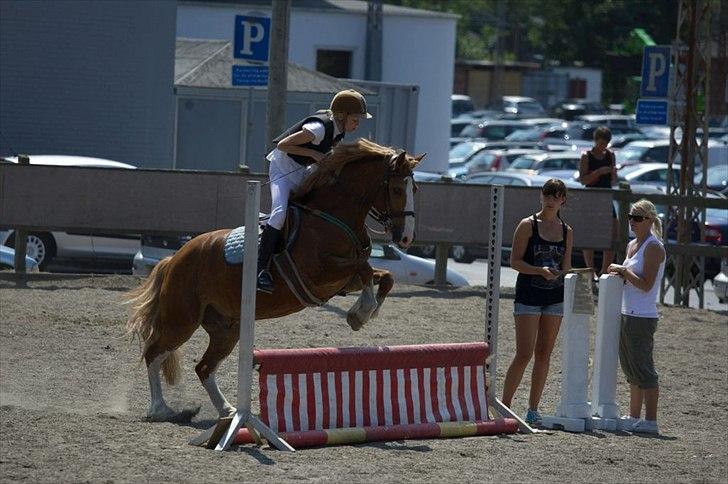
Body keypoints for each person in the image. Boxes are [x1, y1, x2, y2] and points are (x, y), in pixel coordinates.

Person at [256, 89, 372, 293]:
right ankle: (260, 270)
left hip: (303, 171)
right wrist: (313, 154)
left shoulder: (339, 130)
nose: (357, 124)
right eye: (355, 119)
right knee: (279, 214)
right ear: (343, 116)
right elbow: (283, 145)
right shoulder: (318, 128)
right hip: (282, 171)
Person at [502, 179, 573, 425]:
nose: (551, 199)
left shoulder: (566, 230)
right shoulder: (527, 225)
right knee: (524, 353)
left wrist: (560, 274)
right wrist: (538, 270)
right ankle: (504, 406)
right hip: (529, 294)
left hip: (554, 297)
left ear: (563, 199)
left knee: (544, 353)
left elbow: (565, 268)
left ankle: (533, 409)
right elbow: (514, 262)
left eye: (556, 195)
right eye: (547, 194)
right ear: (540, 196)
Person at [608, 199, 665, 434]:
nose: (633, 221)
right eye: (631, 216)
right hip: (626, 311)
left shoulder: (653, 247)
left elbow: (646, 284)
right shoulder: (633, 244)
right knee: (631, 368)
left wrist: (623, 271)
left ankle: (650, 420)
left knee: (644, 369)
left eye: (638, 218)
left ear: (650, 221)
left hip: (642, 314)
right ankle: (634, 416)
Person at [579, 126, 617, 279]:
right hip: (591, 197)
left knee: (613, 232)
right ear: (595, 141)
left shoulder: (610, 155)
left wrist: (613, 173)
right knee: (590, 233)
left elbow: (614, 181)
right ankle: (590, 269)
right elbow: (583, 180)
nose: (603, 147)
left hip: (606, 197)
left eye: (606, 144)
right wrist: (599, 172)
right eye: (601, 143)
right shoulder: (586, 156)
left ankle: (605, 270)